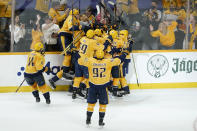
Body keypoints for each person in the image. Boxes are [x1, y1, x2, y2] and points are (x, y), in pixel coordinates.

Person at [78, 49, 129, 127]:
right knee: (103, 105)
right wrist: (124, 53)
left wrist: (79, 53)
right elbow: (119, 60)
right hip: (103, 87)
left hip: (92, 87)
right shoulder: (107, 62)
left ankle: (88, 119)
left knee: (91, 104)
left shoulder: (90, 61)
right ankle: (100, 121)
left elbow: (79, 61)